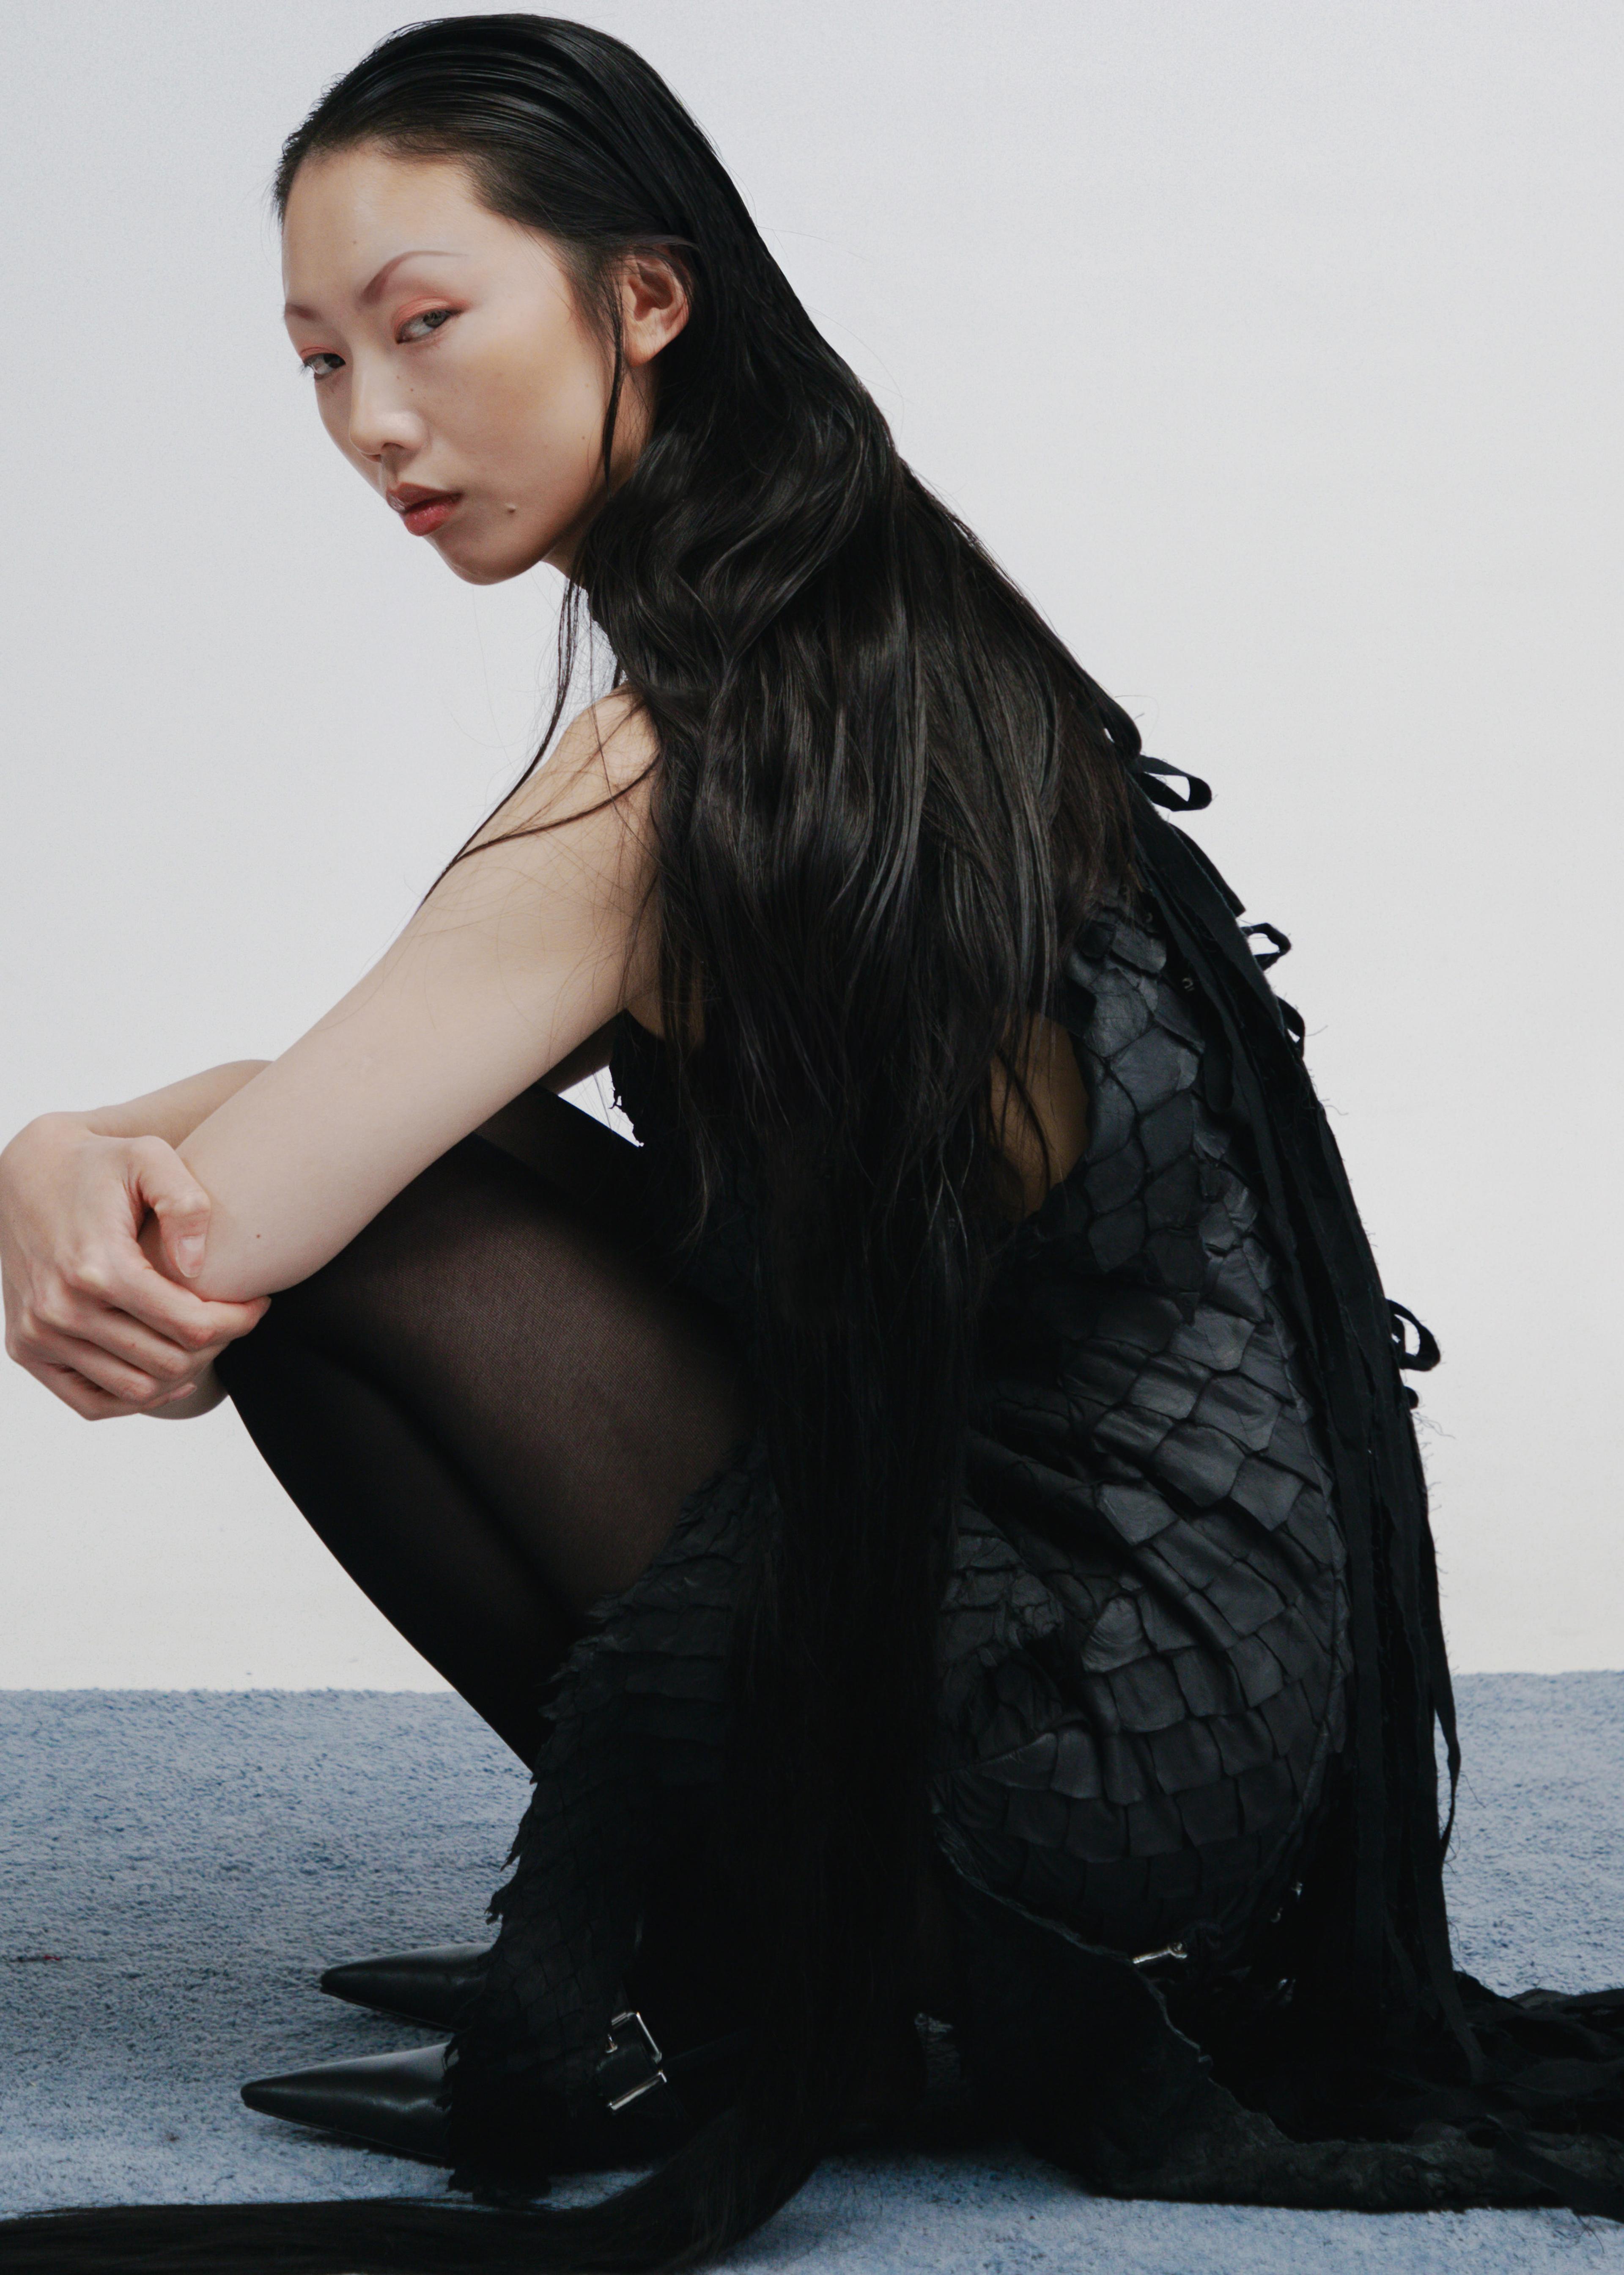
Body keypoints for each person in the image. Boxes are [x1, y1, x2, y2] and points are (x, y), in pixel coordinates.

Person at [3, 16, 1622, 2272]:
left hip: (1076, 1746)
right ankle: (759, 1936)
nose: (370, 420)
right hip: (1212, 1696)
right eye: (317, 363)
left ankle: (750, 1972)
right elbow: (370, 1110)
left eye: (424, 323)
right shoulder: (871, 622)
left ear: (647, 297)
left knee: (357, 1252)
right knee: (423, 1188)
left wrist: (67, 1165)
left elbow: (225, 1251)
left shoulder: (674, 761)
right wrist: (69, 1142)